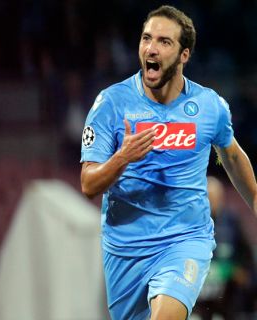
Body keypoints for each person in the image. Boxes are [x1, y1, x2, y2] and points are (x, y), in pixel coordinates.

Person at [80, 5, 257, 320]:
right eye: (147, 38)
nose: (151, 48)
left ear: (184, 55)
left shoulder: (208, 106)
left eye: (164, 41)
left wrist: (255, 198)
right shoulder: (111, 104)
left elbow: (231, 154)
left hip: (185, 239)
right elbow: (88, 184)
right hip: (125, 250)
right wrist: (123, 157)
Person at [194, 176, 256, 319]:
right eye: (207, 197)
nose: (211, 203)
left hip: (227, 298)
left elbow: (246, 258)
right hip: (198, 298)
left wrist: (243, 274)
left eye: (214, 197)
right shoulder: (190, 225)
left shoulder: (232, 222)